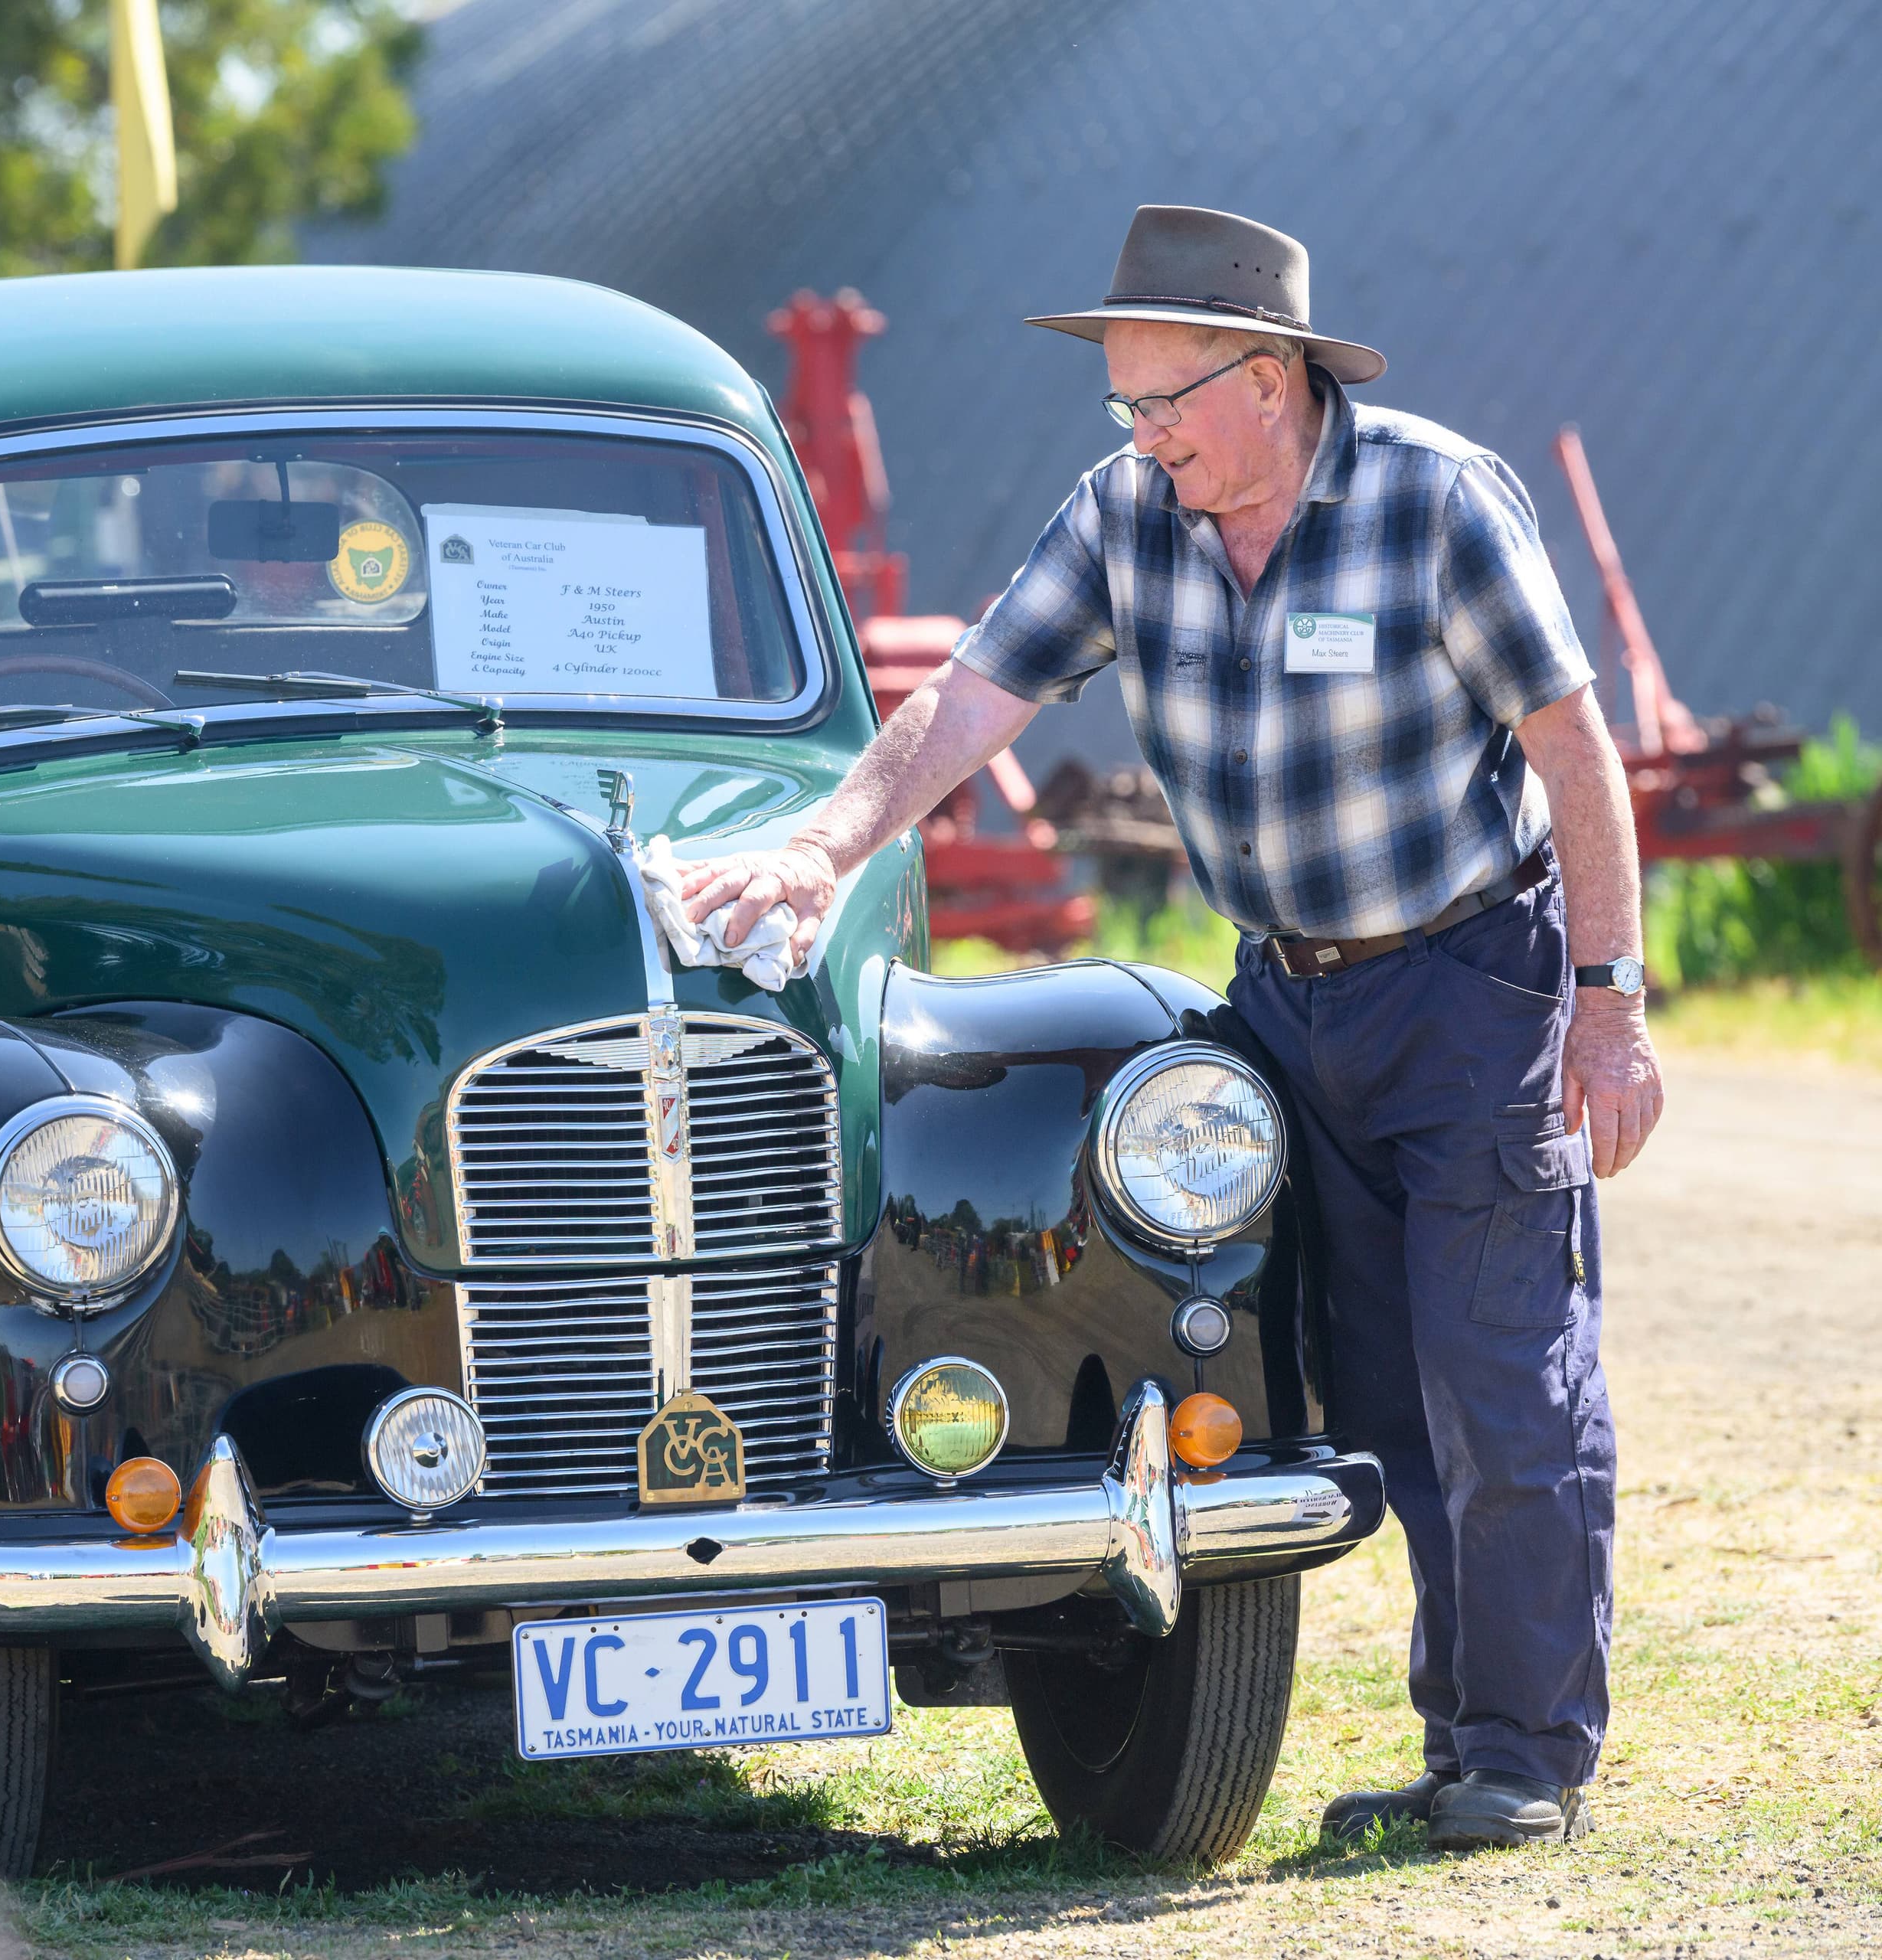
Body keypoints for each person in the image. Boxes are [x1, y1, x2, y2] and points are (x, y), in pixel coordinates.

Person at [688, 204, 1664, 1851]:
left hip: (1473, 985)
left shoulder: (1437, 502)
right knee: (1378, 1391)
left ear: (1270, 376)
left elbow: (1577, 754)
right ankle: (1462, 1743)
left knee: (1502, 1378)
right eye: (1123, 409)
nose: (1143, 438)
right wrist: (821, 843)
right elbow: (971, 700)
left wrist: (1610, 1008)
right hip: (1291, 997)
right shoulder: (1129, 515)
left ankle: (1526, 1754)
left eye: (1168, 402)